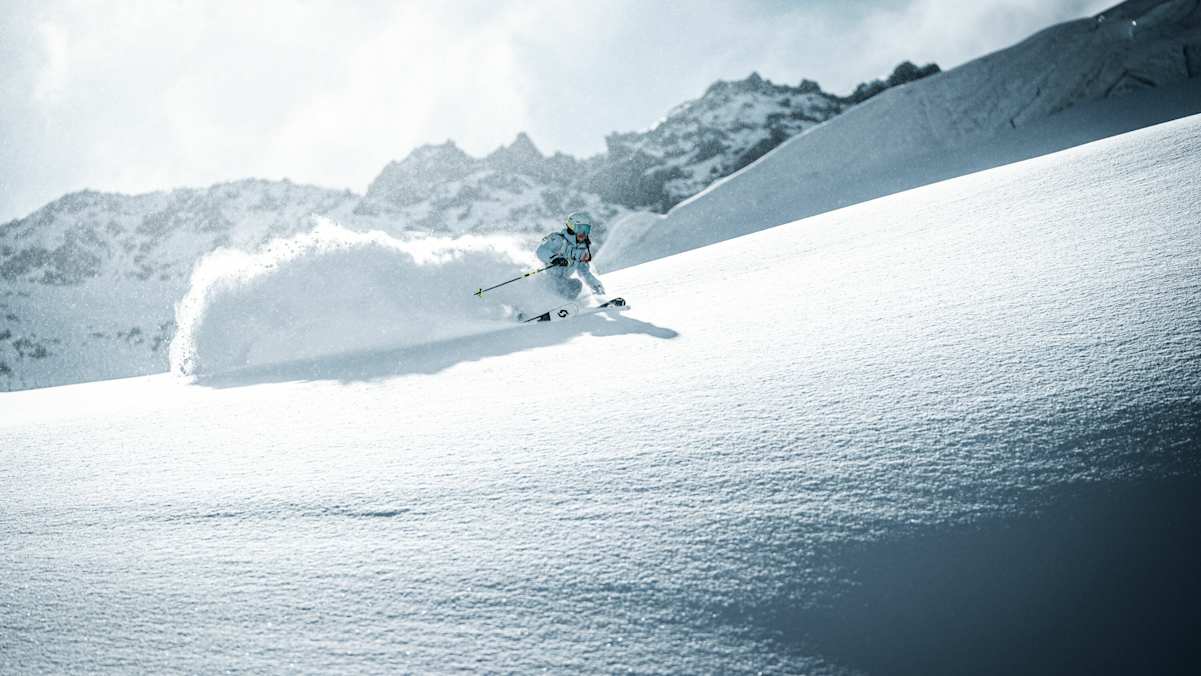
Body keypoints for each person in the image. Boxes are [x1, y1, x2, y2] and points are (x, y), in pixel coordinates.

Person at [536, 211, 606, 299]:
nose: (583, 233)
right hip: (546, 279)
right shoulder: (559, 240)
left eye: (586, 229)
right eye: (580, 228)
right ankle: (548, 306)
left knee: (576, 285)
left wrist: (595, 284)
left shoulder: (581, 249)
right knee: (564, 286)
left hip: (561, 281)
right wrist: (554, 258)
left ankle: (564, 307)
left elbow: (584, 271)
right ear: (571, 227)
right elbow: (541, 250)